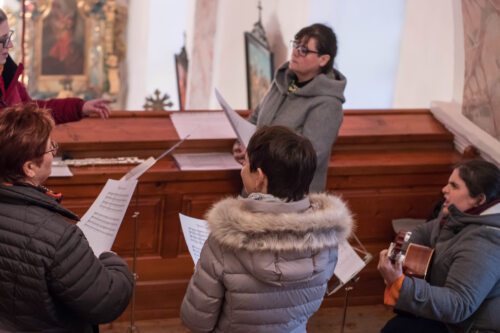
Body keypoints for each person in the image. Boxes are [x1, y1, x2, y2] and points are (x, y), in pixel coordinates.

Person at [181, 125, 353, 332]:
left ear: (259, 177)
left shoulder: (225, 240)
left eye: (245, 163)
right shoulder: (326, 236)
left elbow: (197, 321)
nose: (242, 168)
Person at [0, 104, 133, 332]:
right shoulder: (57, 236)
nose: (54, 152)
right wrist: (112, 261)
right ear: (30, 167)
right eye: (50, 148)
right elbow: (106, 301)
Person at [377, 160, 500, 333]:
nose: (444, 189)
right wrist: (401, 260)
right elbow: (421, 232)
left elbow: (458, 305)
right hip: (447, 319)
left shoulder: (486, 241)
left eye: (454, 186)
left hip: (467, 327)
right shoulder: (459, 216)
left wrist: (401, 283)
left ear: (479, 199)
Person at [233, 23, 347, 193]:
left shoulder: (328, 105)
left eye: (304, 50)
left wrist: (255, 154)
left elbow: (305, 159)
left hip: (288, 197)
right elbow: (257, 116)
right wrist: (242, 144)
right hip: (258, 182)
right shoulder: (284, 80)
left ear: (323, 59)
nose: (295, 52)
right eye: (295, 44)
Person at [0, 8, 110, 123]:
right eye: (3, 39)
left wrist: (80, 107)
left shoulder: (6, 75)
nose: (10, 44)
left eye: (8, 37)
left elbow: (35, 113)